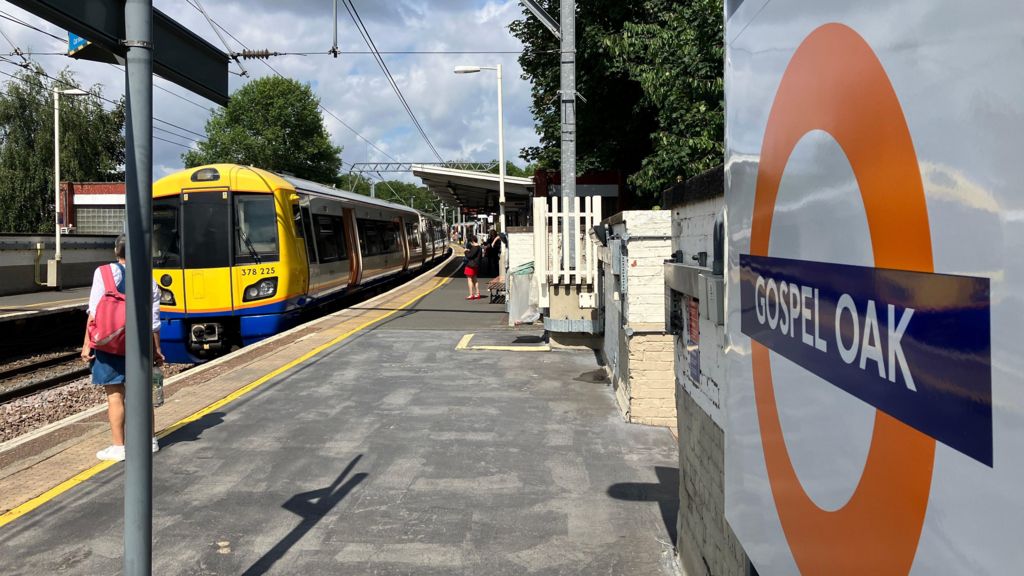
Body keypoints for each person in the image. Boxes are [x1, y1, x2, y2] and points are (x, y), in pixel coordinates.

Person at [81, 234, 164, 462]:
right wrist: (156, 350)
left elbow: (94, 312)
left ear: (116, 252)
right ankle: (150, 441)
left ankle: (119, 446)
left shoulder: (104, 273)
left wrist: (87, 344)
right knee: (143, 395)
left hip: (108, 344)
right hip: (139, 345)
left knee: (115, 396)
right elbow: (154, 322)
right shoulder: (149, 279)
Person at [463, 234, 483, 300]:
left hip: (471, 265)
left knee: (469, 279)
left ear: (472, 241)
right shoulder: (479, 247)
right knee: (475, 279)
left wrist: (465, 251)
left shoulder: (474, 247)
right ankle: (477, 293)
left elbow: (469, 256)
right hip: (476, 265)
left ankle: (471, 295)